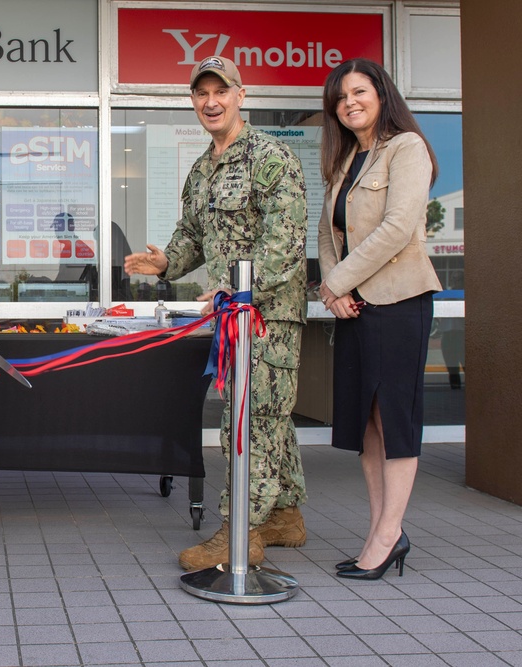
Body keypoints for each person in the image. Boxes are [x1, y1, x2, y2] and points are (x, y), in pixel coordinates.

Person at [124, 55, 308, 571]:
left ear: (240, 95)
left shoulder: (270, 157)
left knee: (249, 423)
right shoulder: (203, 167)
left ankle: (239, 534)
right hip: (233, 320)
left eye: (220, 91)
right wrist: (165, 262)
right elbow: (192, 236)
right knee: (269, 419)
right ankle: (285, 515)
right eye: (201, 93)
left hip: (269, 317)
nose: (211, 101)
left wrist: (236, 286)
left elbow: (286, 242)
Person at [317, 58, 441, 580]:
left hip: (398, 302)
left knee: (395, 419)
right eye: (341, 97)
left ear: (382, 95)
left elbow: (396, 229)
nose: (350, 102)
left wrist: (338, 282)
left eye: (359, 91)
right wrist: (335, 290)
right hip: (355, 308)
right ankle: (380, 531)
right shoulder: (347, 160)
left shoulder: (406, 149)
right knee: (368, 423)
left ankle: (389, 535)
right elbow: (328, 236)